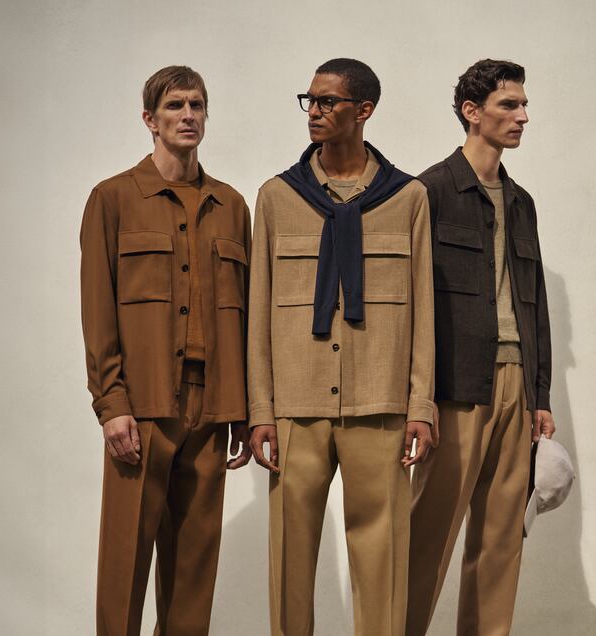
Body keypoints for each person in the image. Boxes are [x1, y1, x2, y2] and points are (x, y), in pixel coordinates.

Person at [246, 58, 436, 636]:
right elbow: (258, 313)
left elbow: (424, 312)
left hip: (380, 406)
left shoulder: (408, 198)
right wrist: (261, 411)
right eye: (310, 100)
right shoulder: (277, 197)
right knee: (289, 557)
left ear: (364, 110)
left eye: (328, 101)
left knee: (383, 564)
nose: (315, 111)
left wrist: (421, 405)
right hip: (295, 407)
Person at [79, 65, 252, 636]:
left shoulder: (231, 206)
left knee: (193, 574)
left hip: (212, 408)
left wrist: (244, 412)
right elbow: (97, 310)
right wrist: (112, 404)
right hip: (142, 407)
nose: (188, 115)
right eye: (175, 106)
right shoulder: (113, 199)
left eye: (197, 105)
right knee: (124, 566)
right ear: (150, 120)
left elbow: (247, 315)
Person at [406, 59, 557, 636]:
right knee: (428, 535)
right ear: (472, 112)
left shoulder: (521, 202)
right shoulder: (428, 191)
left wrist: (540, 395)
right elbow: (411, 305)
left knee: (501, 540)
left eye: (523, 105)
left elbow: (535, 303)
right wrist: (419, 398)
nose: (522, 116)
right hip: (456, 387)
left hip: (517, 386)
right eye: (508, 105)